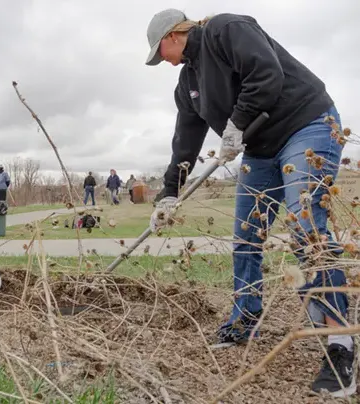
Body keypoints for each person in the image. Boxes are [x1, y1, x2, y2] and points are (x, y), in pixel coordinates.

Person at [146, 9, 354, 397]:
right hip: (260, 150)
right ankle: (245, 317)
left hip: (306, 125)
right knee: (245, 236)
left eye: (161, 53)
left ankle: (340, 341)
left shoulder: (226, 30)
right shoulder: (187, 82)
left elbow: (265, 74)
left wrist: (237, 122)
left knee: (305, 225)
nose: (164, 62)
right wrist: (169, 192)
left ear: (173, 35)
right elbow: (185, 142)